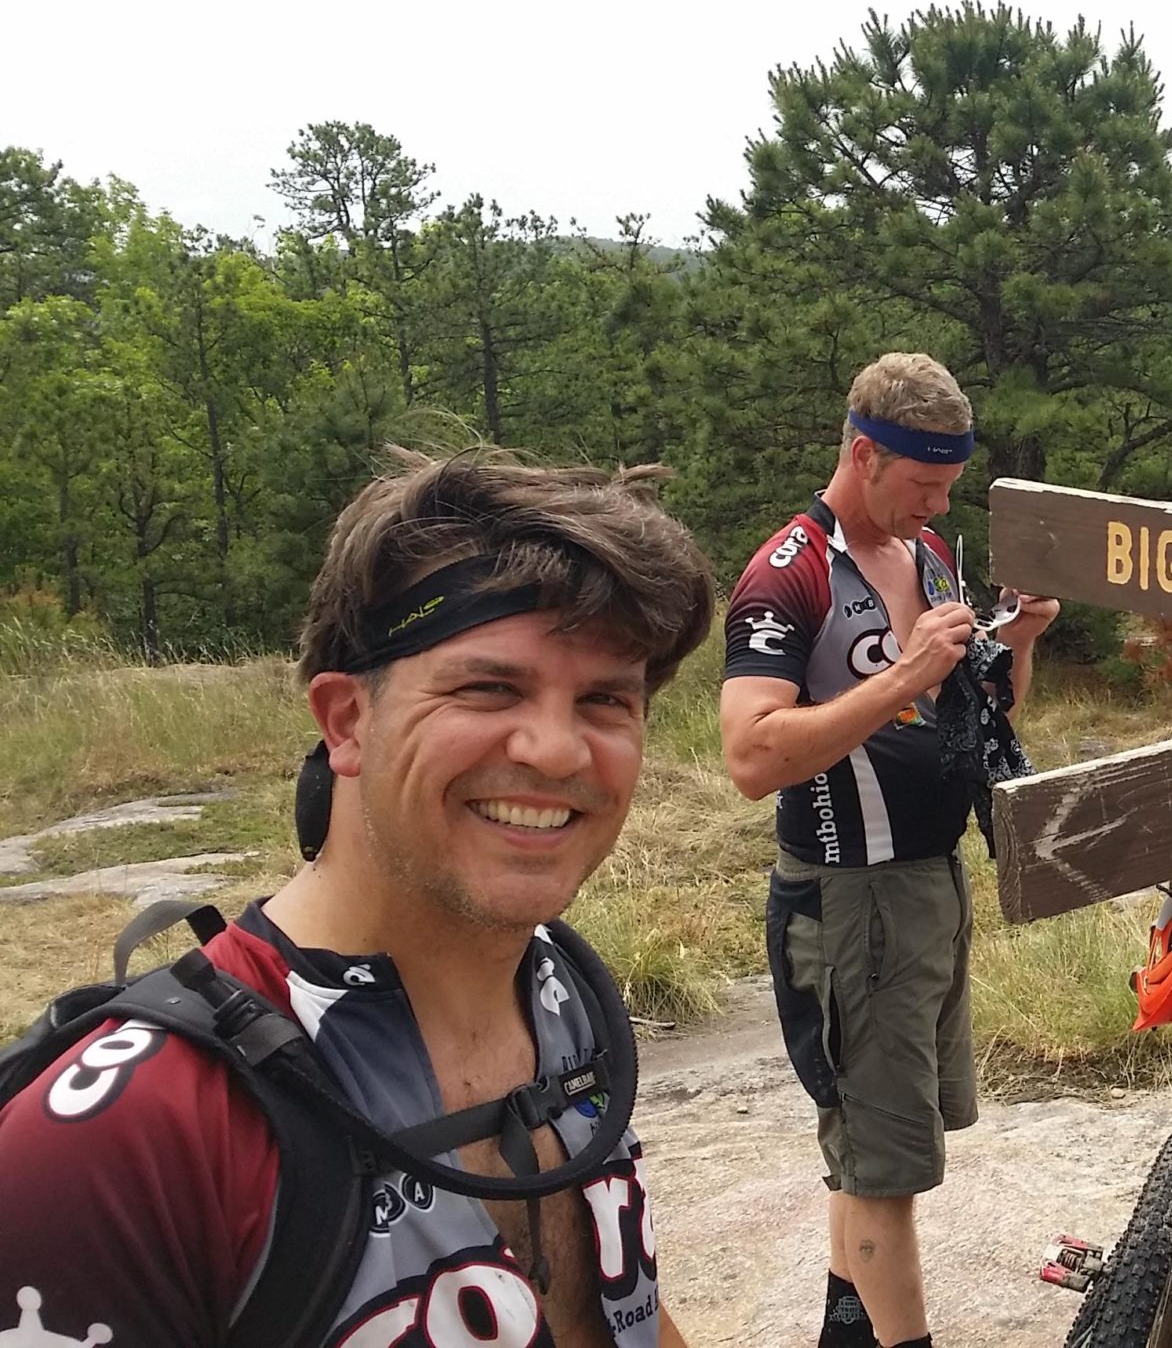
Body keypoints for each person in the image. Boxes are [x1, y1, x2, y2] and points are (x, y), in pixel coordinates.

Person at [0, 448, 718, 1347]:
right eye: (488, 686)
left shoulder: (563, 995)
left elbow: (613, 1314)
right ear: (345, 721)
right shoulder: (129, 1141)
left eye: (607, 701)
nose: (557, 751)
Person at [719, 351, 1058, 1348]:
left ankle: (846, 1331)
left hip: (927, 887)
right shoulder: (786, 576)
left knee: (875, 1150)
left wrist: (1021, 641)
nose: (934, 506)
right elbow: (748, 755)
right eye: (922, 486)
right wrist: (898, 674)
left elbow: (976, 715)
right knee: (887, 1172)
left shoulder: (929, 558)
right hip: (847, 897)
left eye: (949, 488)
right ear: (864, 456)